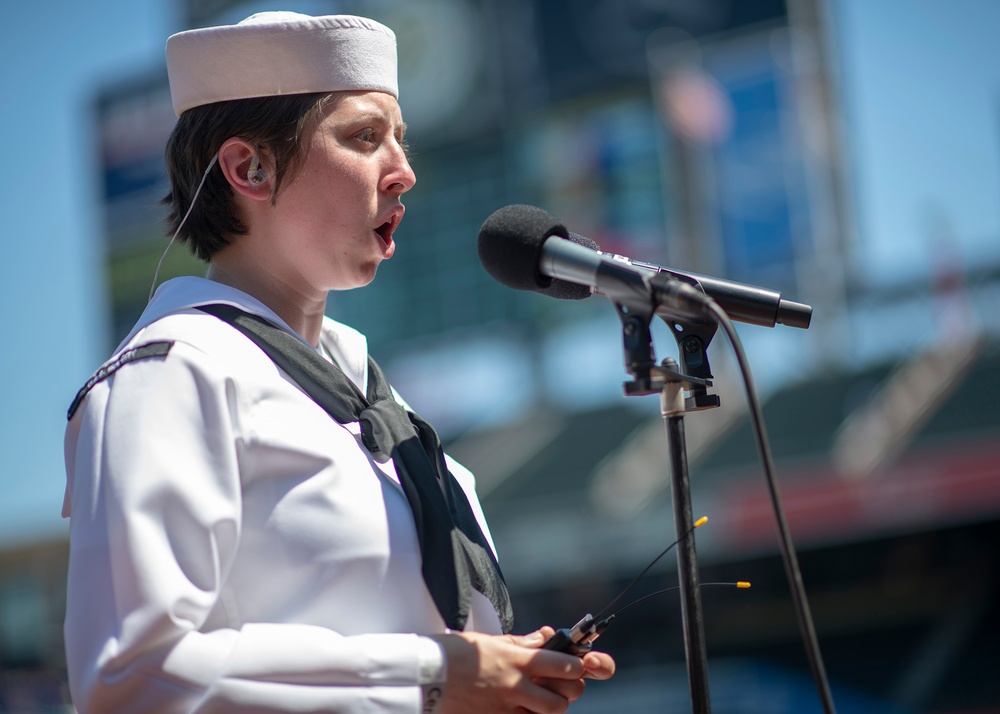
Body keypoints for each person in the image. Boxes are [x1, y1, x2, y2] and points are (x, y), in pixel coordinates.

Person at [62, 10, 614, 714]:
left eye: (400, 141)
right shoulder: (171, 374)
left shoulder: (375, 401)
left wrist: (504, 668)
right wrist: (434, 674)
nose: (404, 172)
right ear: (249, 167)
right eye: (364, 137)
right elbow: (133, 676)